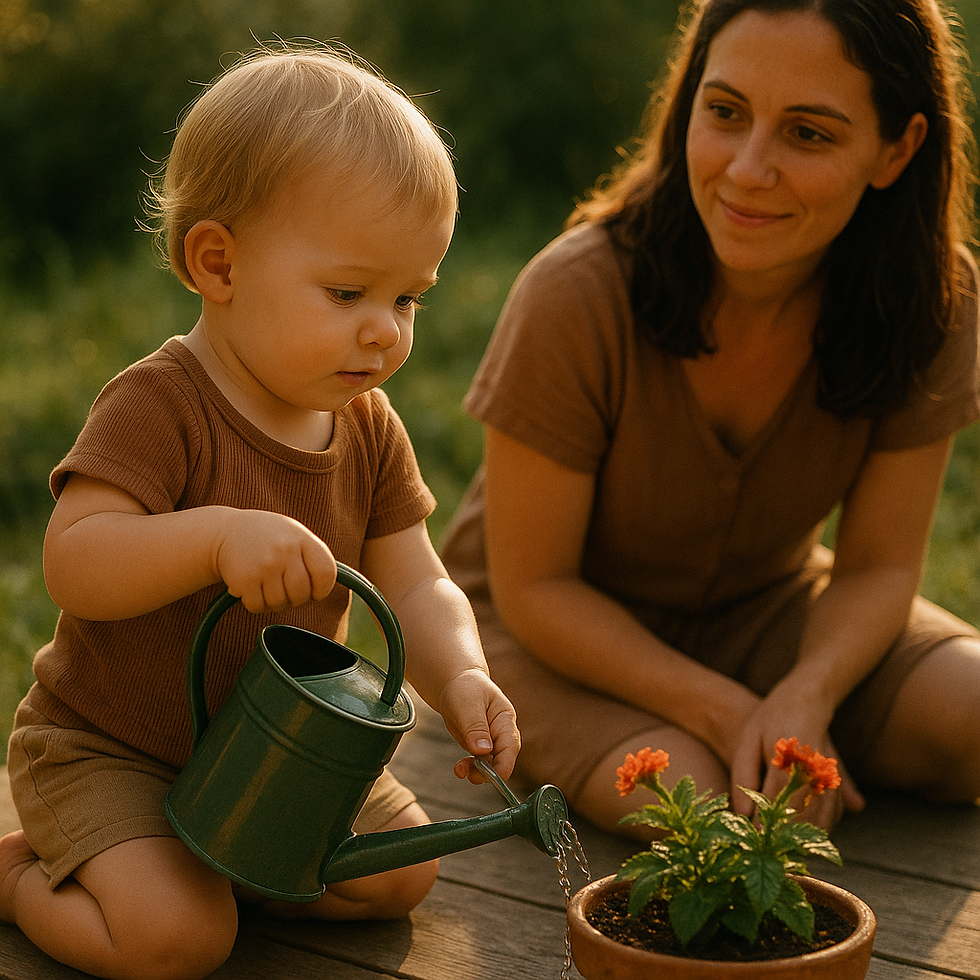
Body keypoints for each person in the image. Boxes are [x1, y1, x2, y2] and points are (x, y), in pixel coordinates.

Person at [0, 44, 520, 980]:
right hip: (115, 749)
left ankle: (219, 856)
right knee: (176, 942)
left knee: (399, 876)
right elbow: (74, 560)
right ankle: (17, 876)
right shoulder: (159, 405)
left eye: (409, 299)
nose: (385, 329)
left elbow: (417, 578)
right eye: (349, 292)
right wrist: (216, 538)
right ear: (217, 262)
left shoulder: (364, 423)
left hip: (277, 753)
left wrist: (465, 675)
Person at [441, 0, 980, 843]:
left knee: (972, 710)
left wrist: (807, 694)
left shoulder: (933, 301)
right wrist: (732, 715)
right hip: (545, 632)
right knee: (694, 799)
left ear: (897, 149)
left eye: (809, 134)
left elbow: (878, 567)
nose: (747, 169)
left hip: (763, 608)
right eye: (725, 113)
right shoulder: (575, 295)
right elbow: (536, 588)